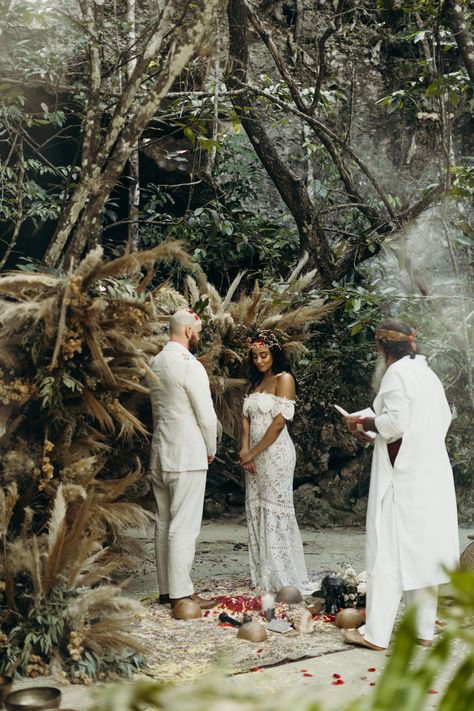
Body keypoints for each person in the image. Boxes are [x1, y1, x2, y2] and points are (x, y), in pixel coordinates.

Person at [342, 319, 459, 650]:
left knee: (387, 556)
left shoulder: (396, 374)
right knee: (421, 554)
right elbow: (434, 421)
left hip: (403, 482)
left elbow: (394, 424)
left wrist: (363, 422)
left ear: (381, 347)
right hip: (431, 477)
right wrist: (369, 425)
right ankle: (422, 631)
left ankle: (375, 634)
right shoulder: (427, 374)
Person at [148, 308, 218, 609]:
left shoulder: (156, 362)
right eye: (197, 331)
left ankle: (165, 590)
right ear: (189, 331)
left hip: (160, 451)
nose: (198, 336)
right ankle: (181, 593)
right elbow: (206, 415)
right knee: (184, 525)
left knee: (164, 522)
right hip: (187, 453)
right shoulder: (190, 365)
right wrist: (211, 447)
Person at [239, 330, 311, 593]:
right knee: (256, 507)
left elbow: (279, 423)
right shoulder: (254, 385)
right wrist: (244, 450)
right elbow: (245, 420)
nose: (259, 361)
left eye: (264, 355)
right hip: (253, 456)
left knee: (275, 508)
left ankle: (282, 576)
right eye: (255, 356)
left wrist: (253, 452)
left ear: (274, 354)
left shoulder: (285, 379)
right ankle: (262, 576)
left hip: (276, 454)